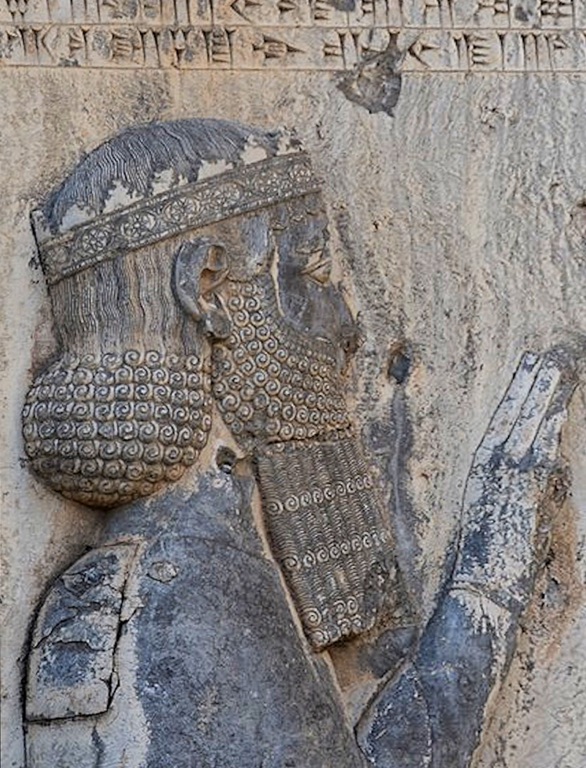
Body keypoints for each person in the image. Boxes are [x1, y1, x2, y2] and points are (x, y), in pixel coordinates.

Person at [22, 118, 578, 767]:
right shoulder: (200, 591)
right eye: (313, 275)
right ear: (207, 291)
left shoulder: (130, 577)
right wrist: (493, 565)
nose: (349, 326)